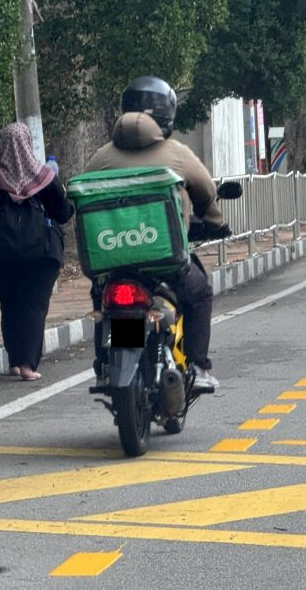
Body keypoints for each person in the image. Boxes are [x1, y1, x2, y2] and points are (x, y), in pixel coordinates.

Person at [83, 76, 227, 390]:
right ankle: (199, 367)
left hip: (112, 262)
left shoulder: (101, 157)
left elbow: (81, 195)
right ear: (167, 116)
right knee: (199, 295)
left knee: (103, 300)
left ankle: (104, 365)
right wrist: (215, 221)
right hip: (164, 261)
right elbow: (204, 190)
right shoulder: (176, 153)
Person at [0, 122, 74, 380]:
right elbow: (63, 213)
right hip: (41, 256)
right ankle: (28, 365)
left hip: (2, 256)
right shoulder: (44, 176)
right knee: (34, 306)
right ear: (28, 144)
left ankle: (15, 361)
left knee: (11, 305)